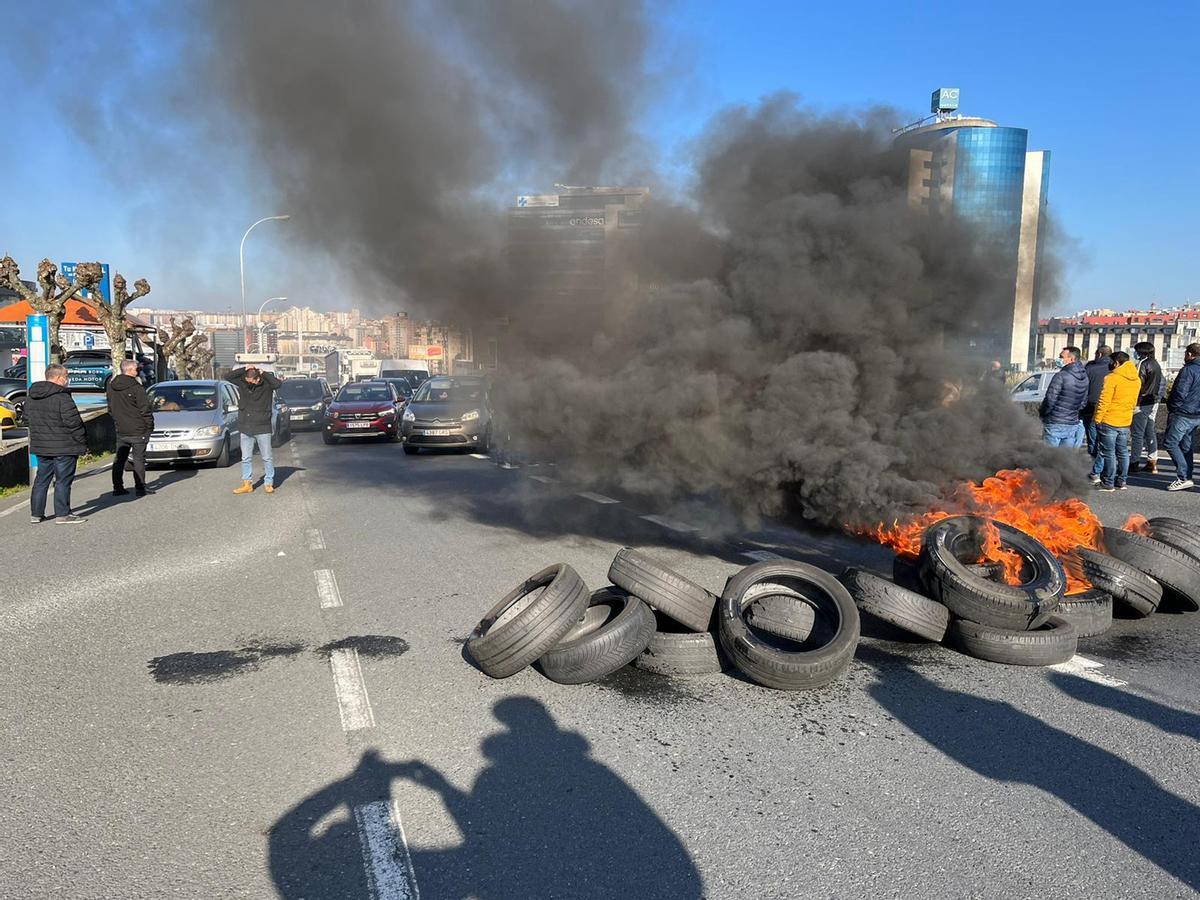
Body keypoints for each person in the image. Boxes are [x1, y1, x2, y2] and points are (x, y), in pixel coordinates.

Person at [26, 363, 87, 524]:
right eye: (66, 376)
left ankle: (36, 514)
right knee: (63, 481)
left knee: (41, 480)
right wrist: (82, 442)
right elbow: (74, 423)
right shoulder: (62, 397)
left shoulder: (32, 397)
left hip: (41, 445)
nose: (68, 380)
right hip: (64, 445)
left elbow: (26, 419)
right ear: (59, 378)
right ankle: (63, 514)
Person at [227, 365, 282, 494]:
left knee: (267, 457)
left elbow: (278, 384)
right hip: (245, 426)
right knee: (246, 457)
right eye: (247, 380)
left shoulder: (267, 385)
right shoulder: (243, 382)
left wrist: (264, 373)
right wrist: (244, 368)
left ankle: (268, 482)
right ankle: (247, 483)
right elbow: (228, 377)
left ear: (258, 379)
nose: (249, 383)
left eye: (252, 381)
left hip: (262, 426)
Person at [106, 358, 155, 497]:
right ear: (130, 370)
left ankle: (117, 487)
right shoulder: (136, 388)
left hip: (121, 428)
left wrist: (117, 421)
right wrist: (149, 427)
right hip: (138, 428)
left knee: (119, 458)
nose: (138, 371)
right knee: (139, 458)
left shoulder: (111, 386)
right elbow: (145, 409)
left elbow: (110, 408)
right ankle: (140, 487)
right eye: (136, 369)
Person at [1092, 350, 1140, 492]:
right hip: (1125, 420)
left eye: (1111, 362)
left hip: (1109, 419)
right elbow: (1133, 401)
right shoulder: (1136, 379)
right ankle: (1122, 481)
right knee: (1123, 452)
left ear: (1116, 363)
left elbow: (1104, 401)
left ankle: (1108, 482)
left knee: (1109, 452)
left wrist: (1098, 418)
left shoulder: (1112, 378)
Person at [1163, 342, 1200, 491]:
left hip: (1183, 412)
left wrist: (1174, 408)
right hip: (1196, 414)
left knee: (1170, 443)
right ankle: (1188, 478)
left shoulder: (1188, 370)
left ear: (1190, 354)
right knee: (1186, 446)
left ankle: (1183, 476)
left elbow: (1180, 392)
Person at [1039, 346, 1088, 447]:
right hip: (1072, 423)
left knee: (1049, 457)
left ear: (1071, 359)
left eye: (1061, 357)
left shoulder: (1061, 376)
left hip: (1055, 422)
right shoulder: (1084, 377)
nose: (1059, 359)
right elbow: (1083, 403)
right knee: (1064, 458)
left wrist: (1044, 413)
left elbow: (1050, 399)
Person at [1128, 341, 1165, 473]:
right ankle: (1152, 461)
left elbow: (1139, 384)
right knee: (1149, 430)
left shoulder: (1143, 364)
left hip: (1141, 402)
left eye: (1136, 351)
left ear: (1141, 352)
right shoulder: (1156, 364)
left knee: (1137, 434)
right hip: (1151, 401)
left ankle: (1134, 462)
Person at [1081, 345, 1112, 458]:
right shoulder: (1115, 369)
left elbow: (1083, 388)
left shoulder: (1090, 368)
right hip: (1110, 408)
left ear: (1099, 354)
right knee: (1107, 442)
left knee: (1092, 438)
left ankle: (1095, 464)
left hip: (1091, 407)